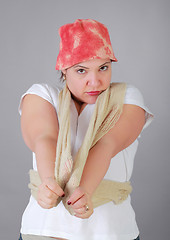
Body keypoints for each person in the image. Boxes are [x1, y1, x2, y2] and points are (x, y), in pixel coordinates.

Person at [18, 19, 153, 240]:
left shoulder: (126, 97)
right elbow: (44, 138)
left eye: (103, 68)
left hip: (111, 232)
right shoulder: (42, 95)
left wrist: (86, 191)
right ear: (64, 70)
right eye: (81, 70)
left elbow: (107, 143)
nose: (95, 81)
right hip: (43, 231)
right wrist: (49, 181)